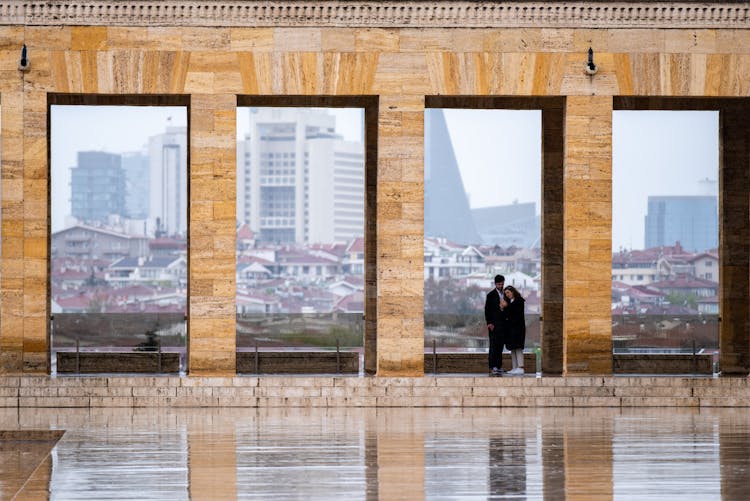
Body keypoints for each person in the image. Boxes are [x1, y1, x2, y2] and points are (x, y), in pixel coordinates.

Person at [484, 275, 506, 376]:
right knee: (493, 346)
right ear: (495, 284)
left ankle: (499, 366)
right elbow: (487, 310)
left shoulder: (505, 294)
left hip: (503, 324)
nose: (500, 286)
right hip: (493, 324)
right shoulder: (490, 295)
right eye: (499, 284)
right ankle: (492, 366)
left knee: (500, 346)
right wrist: (489, 323)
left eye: (502, 284)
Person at [503, 285, 526, 375]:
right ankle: (514, 367)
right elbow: (507, 314)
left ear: (513, 291)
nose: (507, 295)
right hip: (510, 328)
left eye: (508, 292)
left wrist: (507, 306)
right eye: (506, 293)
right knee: (512, 348)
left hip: (518, 328)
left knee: (518, 347)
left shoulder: (519, 301)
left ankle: (521, 367)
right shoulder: (509, 301)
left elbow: (516, 313)